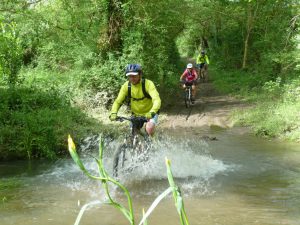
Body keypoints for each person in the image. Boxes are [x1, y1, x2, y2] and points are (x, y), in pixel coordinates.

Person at [109, 64, 161, 136]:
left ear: (140, 75)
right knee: (133, 134)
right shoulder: (126, 86)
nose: (132, 78)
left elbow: (157, 100)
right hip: (136, 114)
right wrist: (113, 113)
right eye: (129, 76)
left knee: (149, 128)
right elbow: (118, 102)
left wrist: (152, 112)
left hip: (150, 113)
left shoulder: (148, 84)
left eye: (134, 76)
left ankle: (154, 143)